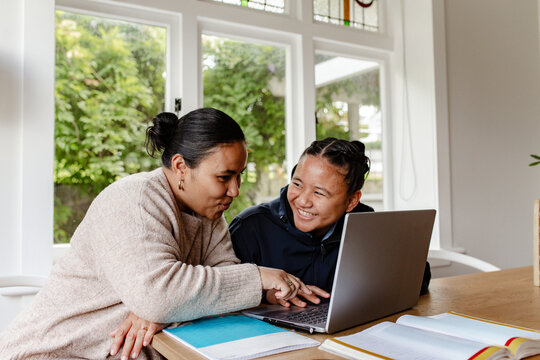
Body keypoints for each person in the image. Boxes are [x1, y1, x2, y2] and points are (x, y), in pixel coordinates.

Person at [0, 108, 311, 360]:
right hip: (54, 353)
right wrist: (257, 277)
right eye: (224, 177)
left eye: (239, 175)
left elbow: (215, 281)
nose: (235, 190)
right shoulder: (134, 200)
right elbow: (159, 295)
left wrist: (166, 309)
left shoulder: (209, 211)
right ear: (180, 167)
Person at [229, 137, 431, 308]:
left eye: (319, 193)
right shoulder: (251, 227)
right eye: (297, 184)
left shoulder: (365, 224)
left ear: (351, 201)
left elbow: (418, 280)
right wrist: (267, 295)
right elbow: (226, 292)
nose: (303, 201)